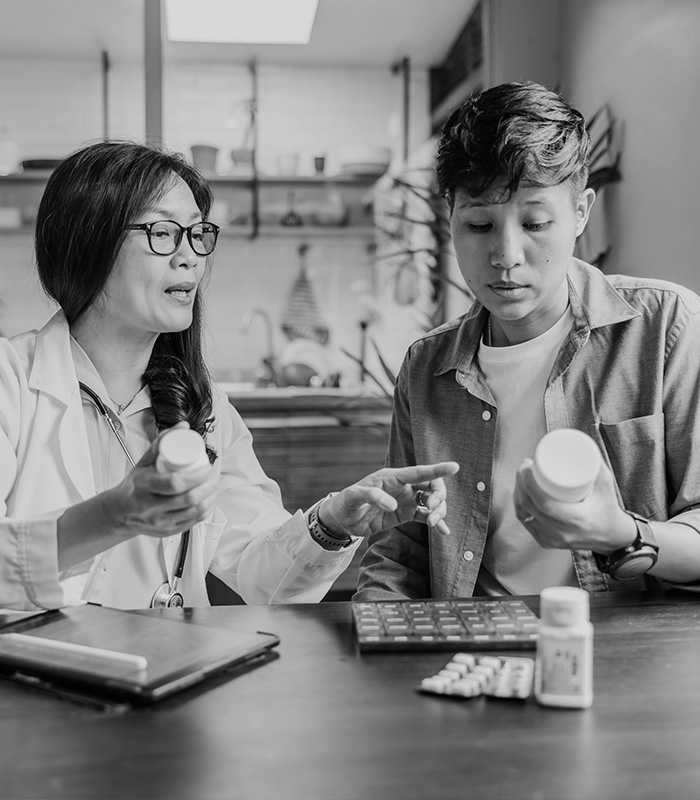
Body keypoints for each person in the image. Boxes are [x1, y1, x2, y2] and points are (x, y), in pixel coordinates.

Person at [0, 139, 459, 612]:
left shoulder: (204, 405)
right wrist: (113, 515)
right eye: (163, 232)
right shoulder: (11, 382)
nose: (190, 257)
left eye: (197, 233)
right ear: (86, 241)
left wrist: (333, 520)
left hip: (170, 675)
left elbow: (261, 573)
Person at [355, 81, 700, 601]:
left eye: (536, 222)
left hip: (625, 656)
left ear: (580, 212)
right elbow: (404, 550)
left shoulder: (664, 328)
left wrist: (624, 535)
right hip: (475, 648)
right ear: (449, 215)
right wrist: (376, 631)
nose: (507, 254)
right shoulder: (427, 368)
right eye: (478, 225)